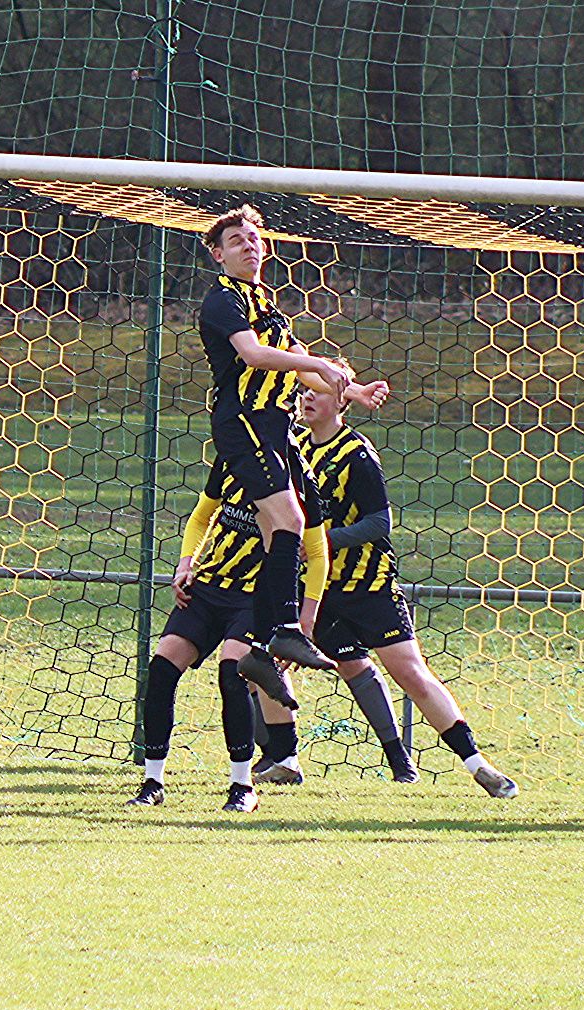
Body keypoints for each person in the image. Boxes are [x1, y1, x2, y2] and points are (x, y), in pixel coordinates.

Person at [297, 372, 518, 799]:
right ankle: (287, 760)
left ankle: (478, 765)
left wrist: (324, 542)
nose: (307, 397)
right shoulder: (297, 447)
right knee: (288, 661)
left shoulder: (357, 454)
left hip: (368, 585)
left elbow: (379, 523)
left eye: (318, 392)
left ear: (341, 403)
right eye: (305, 390)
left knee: (411, 674)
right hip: (316, 587)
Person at [197, 206, 386, 704]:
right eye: (236, 240)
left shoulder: (266, 303)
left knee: (292, 524)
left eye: (254, 238)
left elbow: (300, 370)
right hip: (245, 422)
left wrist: (355, 391)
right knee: (288, 520)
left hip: (276, 426)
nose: (249, 245)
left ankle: (265, 645)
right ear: (218, 254)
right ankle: (280, 631)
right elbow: (255, 356)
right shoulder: (223, 300)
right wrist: (320, 362)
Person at [128, 446, 333, 813]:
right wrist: (185, 564)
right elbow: (201, 516)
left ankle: (242, 787)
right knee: (161, 669)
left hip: (256, 598)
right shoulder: (232, 456)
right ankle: (152, 783)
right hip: (208, 589)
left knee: (233, 672)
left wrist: (305, 621)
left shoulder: (297, 475)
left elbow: (318, 554)